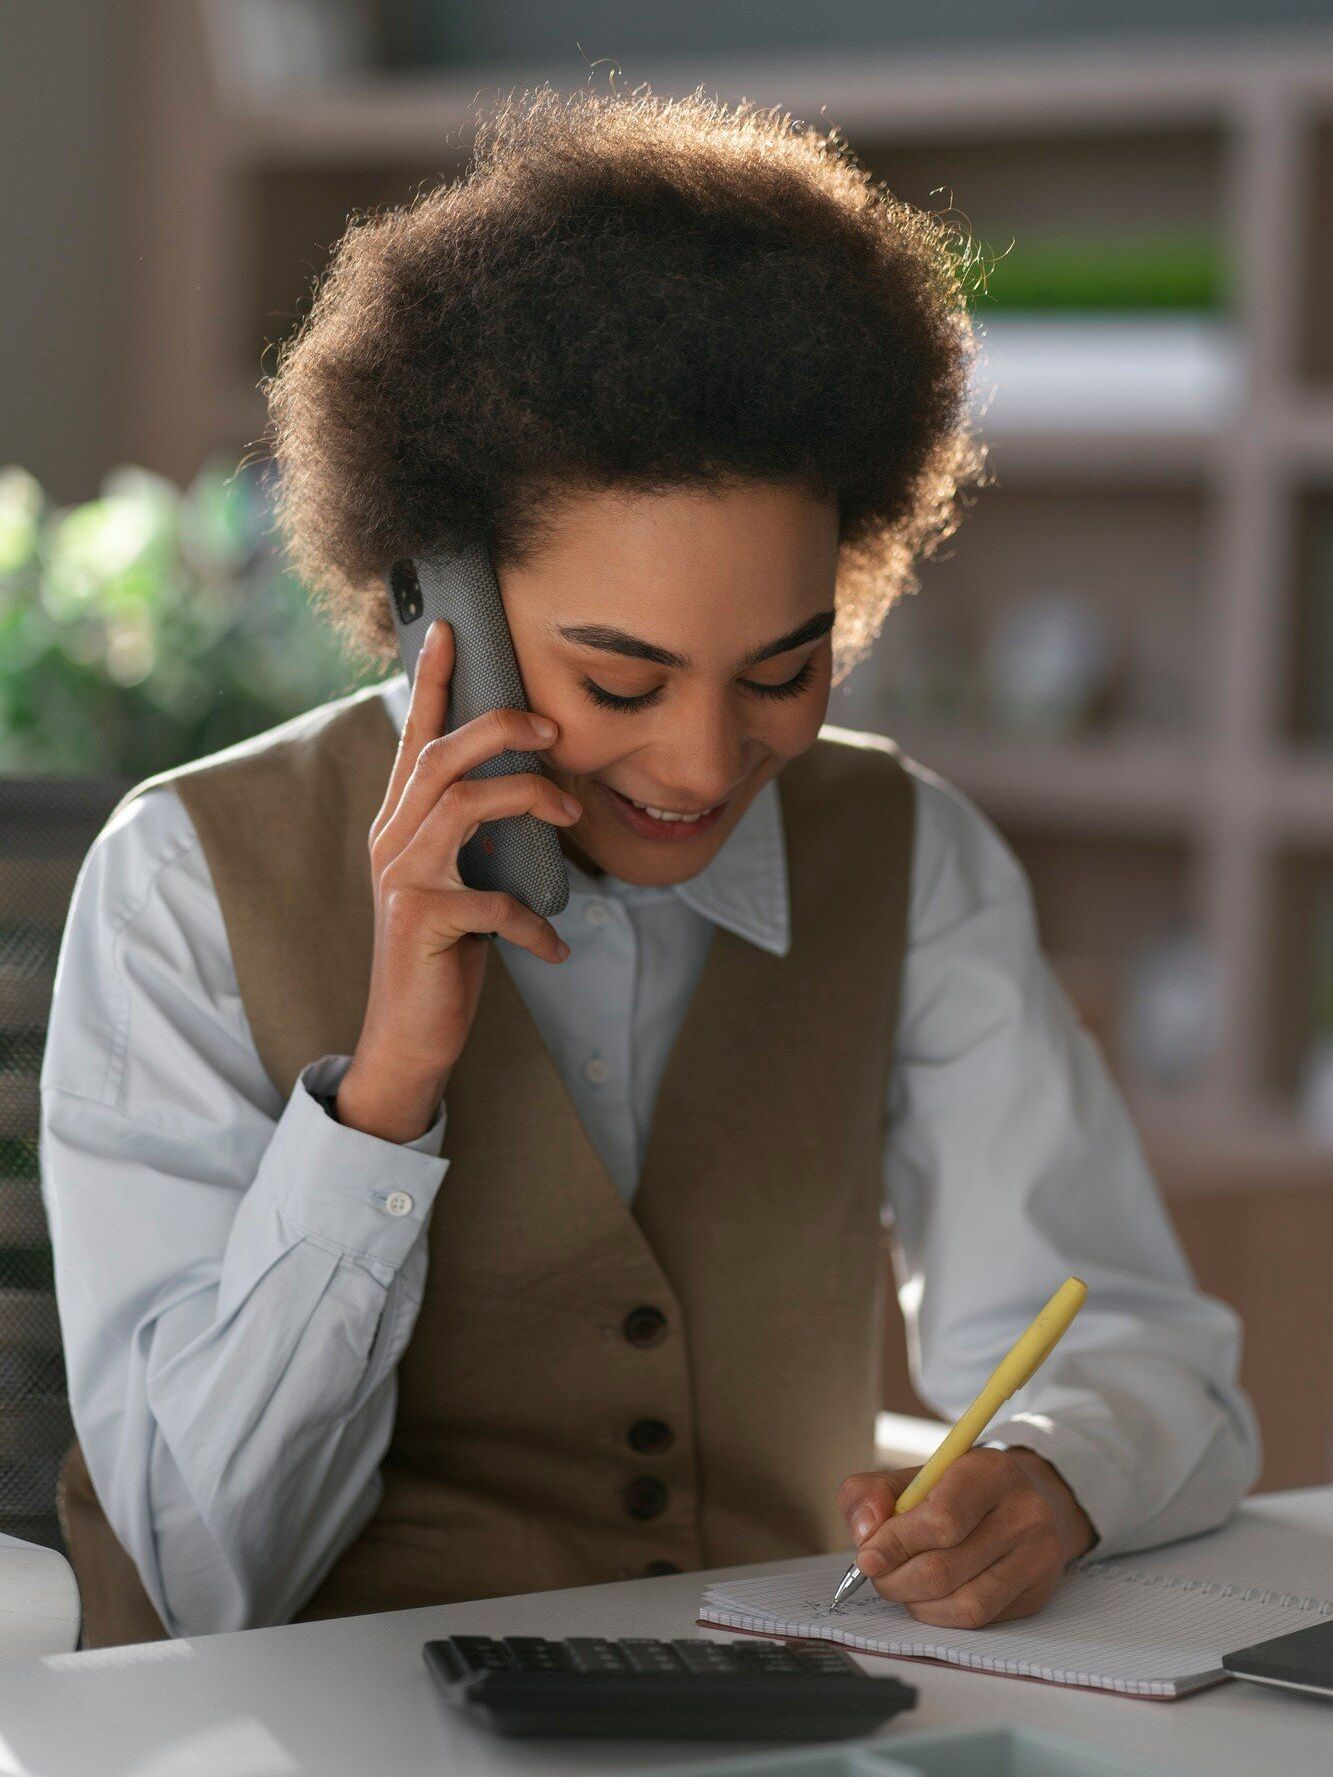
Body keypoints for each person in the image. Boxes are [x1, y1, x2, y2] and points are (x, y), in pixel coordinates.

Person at [41, 83, 1259, 1647]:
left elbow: (1140, 1349)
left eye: (783, 669)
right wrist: (386, 1093)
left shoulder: (910, 857)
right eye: (617, 681)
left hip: (778, 1719)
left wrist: (1052, 1470)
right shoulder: (184, 882)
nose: (700, 766)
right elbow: (203, 1573)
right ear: (444, 605)